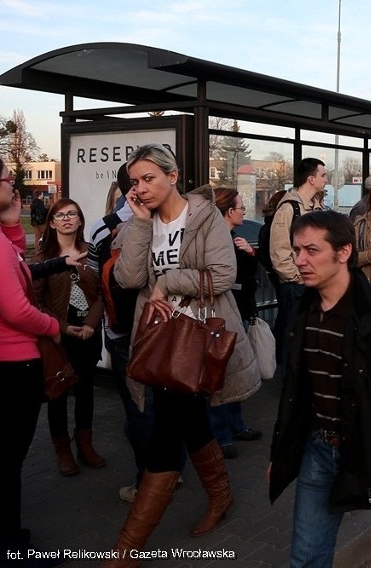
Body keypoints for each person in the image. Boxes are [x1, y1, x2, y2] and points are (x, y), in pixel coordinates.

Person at [101, 144, 260, 565]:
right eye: (135, 181)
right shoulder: (142, 221)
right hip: (158, 339)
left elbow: (223, 274)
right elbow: (129, 276)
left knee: (165, 435)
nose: (141, 188)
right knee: (190, 420)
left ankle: (126, 550)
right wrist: (136, 225)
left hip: (197, 339)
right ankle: (220, 495)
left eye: (149, 178)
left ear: (173, 176)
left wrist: (168, 281)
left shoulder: (204, 216)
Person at [270, 210, 371, 567]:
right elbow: (296, 390)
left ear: (343, 253)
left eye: (312, 250)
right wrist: (280, 453)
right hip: (318, 451)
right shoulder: (302, 310)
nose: (300, 260)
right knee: (306, 557)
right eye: (297, 250)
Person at [0, 156, 64, 566]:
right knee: (8, 460)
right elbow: (17, 308)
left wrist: (8, 218)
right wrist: (52, 326)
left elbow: (17, 261)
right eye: (7, 181)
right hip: (11, 364)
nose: (14, 187)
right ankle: (10, 549)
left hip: (5, 361)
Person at [32, 198, 106, 476]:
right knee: (58, 394)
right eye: (60, 215)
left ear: (80, 221)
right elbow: (36, 302)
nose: (66, 219)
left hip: (88, 333)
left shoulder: (92, 252)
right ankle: (63, 451)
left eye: (72, 214)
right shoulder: (42, 258)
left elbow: (101, 293)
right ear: (51, 223)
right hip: (59, 336)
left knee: (86, 391)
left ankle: (85, 446)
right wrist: (62, 327)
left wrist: (90, 323)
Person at [209, 187, 264, 460]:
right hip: (220, 317)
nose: (244, 211)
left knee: (236, 371)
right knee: (221, 375)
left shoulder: (234, 238)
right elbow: (228, 281)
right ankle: (222, 435)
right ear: (229, 212)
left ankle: (235, 425)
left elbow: (248, 280)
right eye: (241, 207)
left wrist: (249, 255)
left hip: (238, 312)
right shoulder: (216, 241)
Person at [269, 158, 326, 383]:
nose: (325, 179)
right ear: (311, 179)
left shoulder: (315, 205)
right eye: (323, 175)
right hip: (296, 285)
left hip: (313, 282)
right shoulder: (289, 207)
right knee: (293, 335)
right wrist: (297, 278)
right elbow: (279, 250)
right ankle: (289, 387)